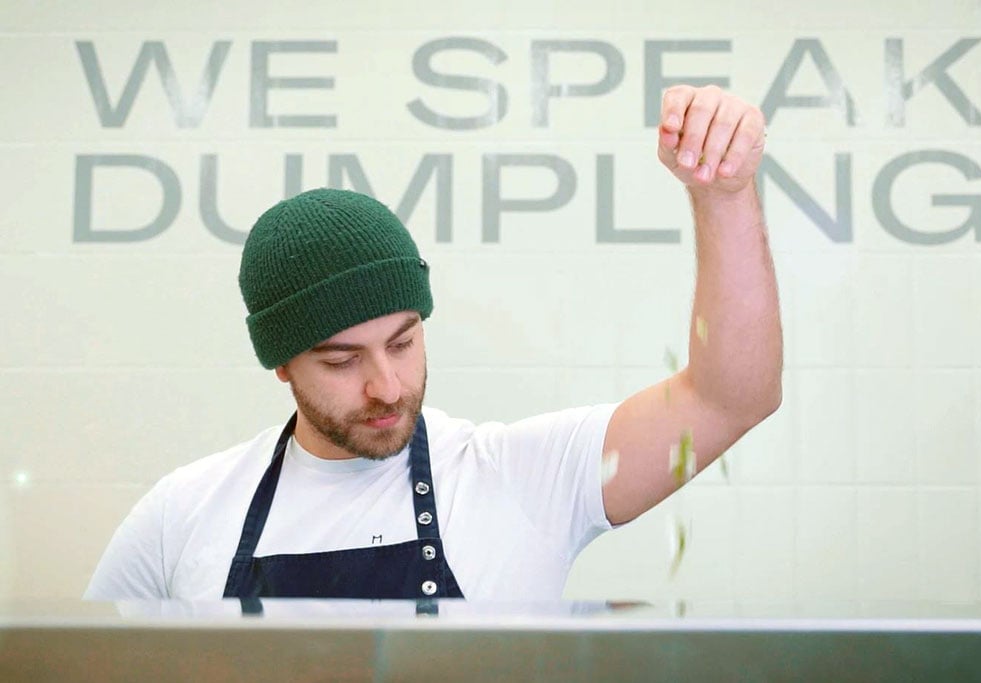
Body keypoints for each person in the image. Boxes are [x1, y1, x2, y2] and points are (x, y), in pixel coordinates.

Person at [85, 85, 782, 601]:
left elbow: (729, 398)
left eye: (403, 340)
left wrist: (724, 195)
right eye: (340, 359)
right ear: (280, 362)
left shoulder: (518, 479)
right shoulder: (182, 516)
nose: (387, 385)